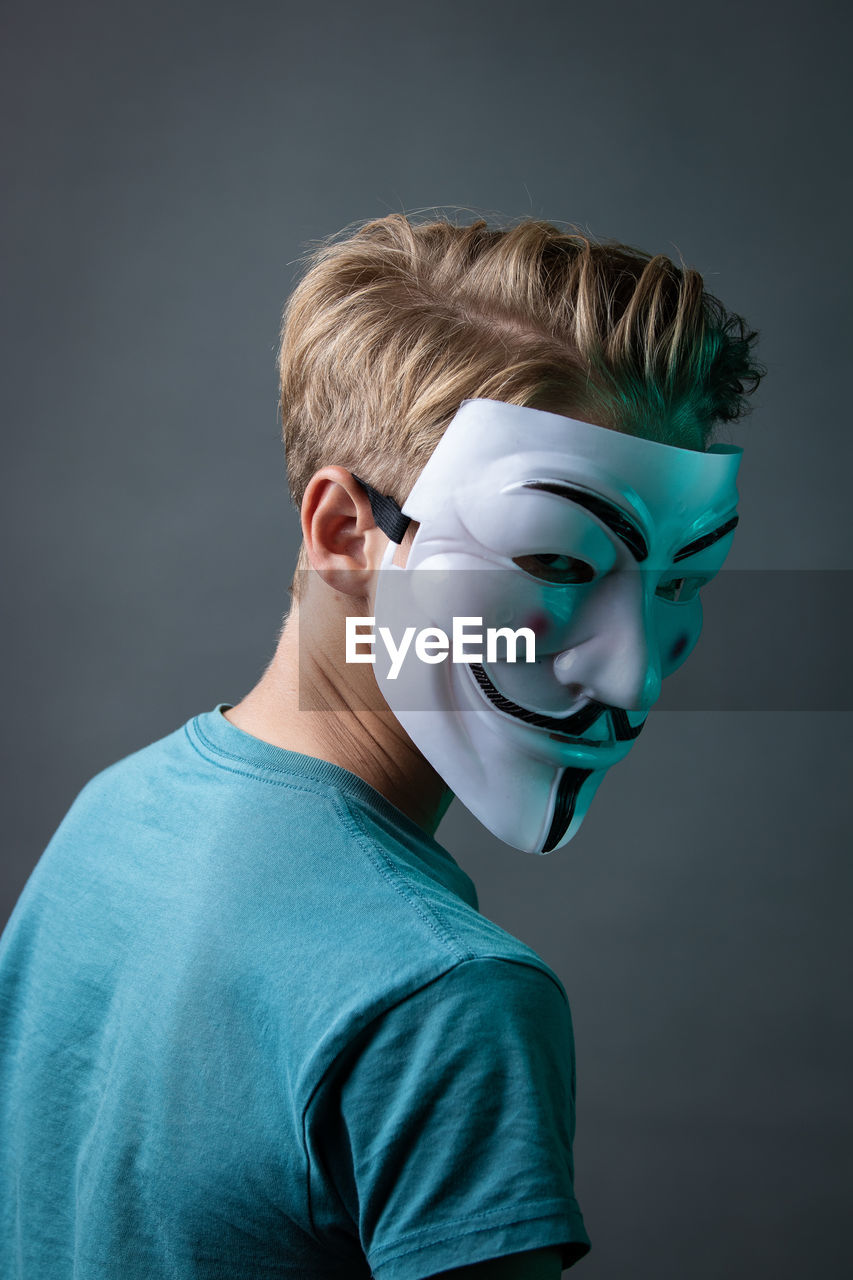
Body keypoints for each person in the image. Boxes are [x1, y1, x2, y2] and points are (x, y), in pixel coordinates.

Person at [0, 215, 763, 1278]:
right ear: (346, 532)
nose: (630, 672)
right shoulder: (446, 998)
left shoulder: (112, 816)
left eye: (680, 580)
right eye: (557, 559)